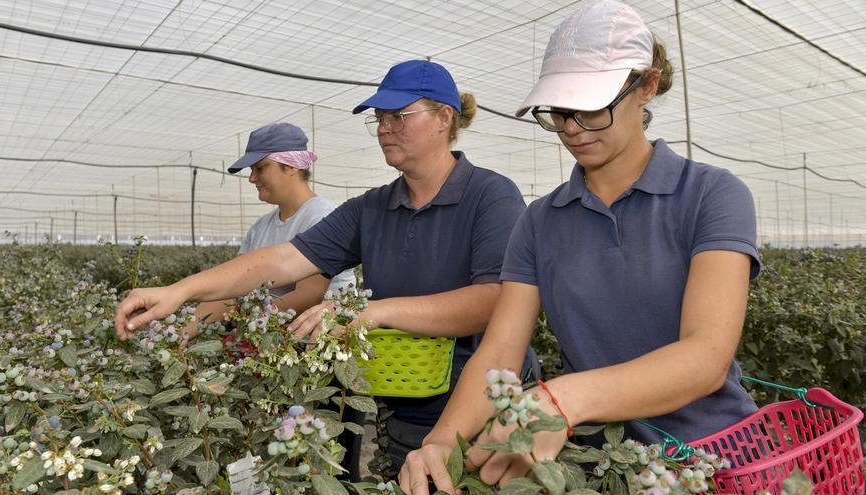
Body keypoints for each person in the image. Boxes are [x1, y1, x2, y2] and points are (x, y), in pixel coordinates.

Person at [399, 1, 761, 493]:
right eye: (560, 110)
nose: (571, 127)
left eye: (591, 106)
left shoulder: (711, 195)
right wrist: (443, 441)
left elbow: (706, 356)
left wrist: (561, 398)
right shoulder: (540, 220)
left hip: (716, 461)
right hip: (597, 469)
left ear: (646, 86)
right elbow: (501, 350)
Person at [114, 60, 535, 475]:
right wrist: (180, 291)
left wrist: (371, 312)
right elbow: (282, 260)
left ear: (444, 118)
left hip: (488, 407)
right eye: (379, 118)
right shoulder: (372, 208)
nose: (385, 128)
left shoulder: (491, 196)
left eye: (399, 116)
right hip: (406, 406)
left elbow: (492, 301)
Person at [181, 122, 355, 338]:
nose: (252, 178)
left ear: (291, 166)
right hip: (268, 339)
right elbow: (233, 288)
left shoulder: (323, 217)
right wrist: (184, 332)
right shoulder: (260, 227)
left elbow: (307, 295)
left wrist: (244, 325)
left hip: (318, 345)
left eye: (260, 167)